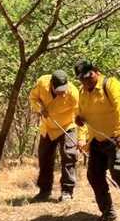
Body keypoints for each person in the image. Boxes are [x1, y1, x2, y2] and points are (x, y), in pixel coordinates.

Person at [73, 59, 120, 221]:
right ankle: (108, 215)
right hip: (97, 140)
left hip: (119, 136)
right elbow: (82, 118)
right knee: (94, 175)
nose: (85, 81)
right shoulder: (82, 92)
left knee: (118, 170)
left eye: (88, 76)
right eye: (81, 79)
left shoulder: (111, 84)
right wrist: (81, 134)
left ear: (95, 71)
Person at [29, 70, 82, 202]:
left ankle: (67, 191)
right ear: (51, 85)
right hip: (48, 127)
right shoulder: (42, 82)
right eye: (59, 89)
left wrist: (81, 138)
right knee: (45, 158)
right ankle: (44, 191)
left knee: (69, 157)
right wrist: (40, 109)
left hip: (67, 127)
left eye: (64, 89)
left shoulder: (73, 93)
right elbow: (33, 98)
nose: (62, 92)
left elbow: (81, 117)